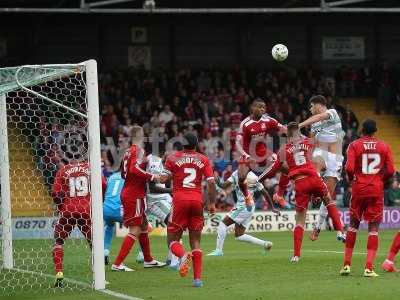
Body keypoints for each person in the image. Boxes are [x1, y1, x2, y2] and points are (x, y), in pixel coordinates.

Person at [260, 122, 344, 262]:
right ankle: (340, 230)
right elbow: (322, 149)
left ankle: (296, 255)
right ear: (299, 132)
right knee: (328, 200)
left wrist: (259, 178)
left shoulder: (284, 149)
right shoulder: (309, 142)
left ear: (287, 135)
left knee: (299, 221)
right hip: (314, 177)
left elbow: (275, 167)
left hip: (300, 182)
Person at [340, 119, 394, 277]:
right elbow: (390, 170)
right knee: (373, 229)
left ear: (362, 130)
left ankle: (346, 266)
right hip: (376, 190)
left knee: (353, 226)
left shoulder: (354, 145)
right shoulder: (384, 146)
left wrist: (352, 178)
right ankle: (369, 268)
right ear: (375, 131)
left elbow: (349, 168)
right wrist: (380, 179)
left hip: (358, 190)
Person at [163, 133, 216, 288]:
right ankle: (197, 280)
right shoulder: (204, 159)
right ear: (196, 143)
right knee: (196, 242)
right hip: (197, 201)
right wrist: (212, 203)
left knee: (172, 240)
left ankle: (182, 255)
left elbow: (164, 178)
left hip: (179, 201)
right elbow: (211, 184)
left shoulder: (172, 158)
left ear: (182, 144)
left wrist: (156, 177)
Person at [111, 126, 166, 271]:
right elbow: (133, 170)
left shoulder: (127, 152)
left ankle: (148, 259)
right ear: (140, 135)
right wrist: (152, 176)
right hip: (134, 195)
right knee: (135, 229)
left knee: (143, 226)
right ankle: (117, 264)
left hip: (130, 191)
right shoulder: (138, 150)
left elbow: (124, 174)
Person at [299, 95, 346, 242]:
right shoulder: (314, 126)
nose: (310, 110)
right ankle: (314, 189)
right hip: (321, 154)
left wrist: (299, 125)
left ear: (317, 105)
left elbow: (317, 118)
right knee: (316, 158)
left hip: (336, 159)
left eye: (311, 107)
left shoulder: (332, 112)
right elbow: (311, 142)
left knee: (328, 197)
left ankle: (318, 227)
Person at [207, 170, 277, 257]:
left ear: (248, 166)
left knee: (223, 223)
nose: (241, 166)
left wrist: (272, 207)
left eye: (243, 164)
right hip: (246, 207)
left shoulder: (253, 178)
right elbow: (224, 185)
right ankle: (265, 244)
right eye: (240, 164)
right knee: (239, 235)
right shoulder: (236, 173)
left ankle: (219, 251)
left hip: (244, 206)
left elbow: (265, 193)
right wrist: (217, 180)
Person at [236, 99, 287, 208]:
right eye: (260, 107)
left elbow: (283, 128)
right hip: (247, 153)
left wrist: (295, 132)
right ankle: (247, 196)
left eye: (264, 107)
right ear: (252, 108)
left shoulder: (268, 120)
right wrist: (246, 156)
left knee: (287, 168)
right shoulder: (245, 124)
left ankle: (279, 195)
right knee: (241, 177)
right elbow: (237, 143)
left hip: (263, 152)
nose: (262, 109)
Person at [52, 158, 92, 287]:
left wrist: (61, 208)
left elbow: (55, 193)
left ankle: (59, 273)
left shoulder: (63, 170)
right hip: (86, 210)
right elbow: (103, 184)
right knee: (94, 242)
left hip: (68, 210)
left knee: (58, 242)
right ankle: (98, 275)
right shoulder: (91, 168)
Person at [103, 168, 124, 265]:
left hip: (106, 208)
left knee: (109, 226)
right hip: (120, 210)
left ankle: (105, 252)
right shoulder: (129, 176)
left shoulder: (112, 176)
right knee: (139, 228)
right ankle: (142, 255)